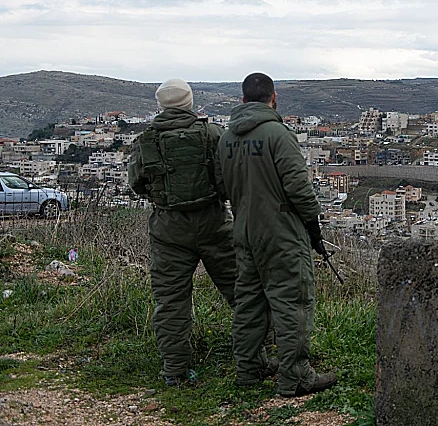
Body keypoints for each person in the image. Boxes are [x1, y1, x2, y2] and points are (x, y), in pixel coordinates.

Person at [128, 79, 263, 386]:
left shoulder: (146, 140)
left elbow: (137, 183)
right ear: (190, 102)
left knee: (171, 301)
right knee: (241, 291)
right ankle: (258, 358)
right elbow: (228, 178)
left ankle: (175, 372)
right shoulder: (212, 134)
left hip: (168, 228)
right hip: (213, 223)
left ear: (161, 105)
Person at [216, 72, 337, 395]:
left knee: (249, 302)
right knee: (291, 301)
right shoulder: (278, 135)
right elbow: (298, 188)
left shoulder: (226, 139)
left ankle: (249, 368)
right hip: (281, 231)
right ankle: (295, 376)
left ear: (242, 101)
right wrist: (312, 223)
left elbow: (222, 185)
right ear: (274, 98)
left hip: (243, 229)